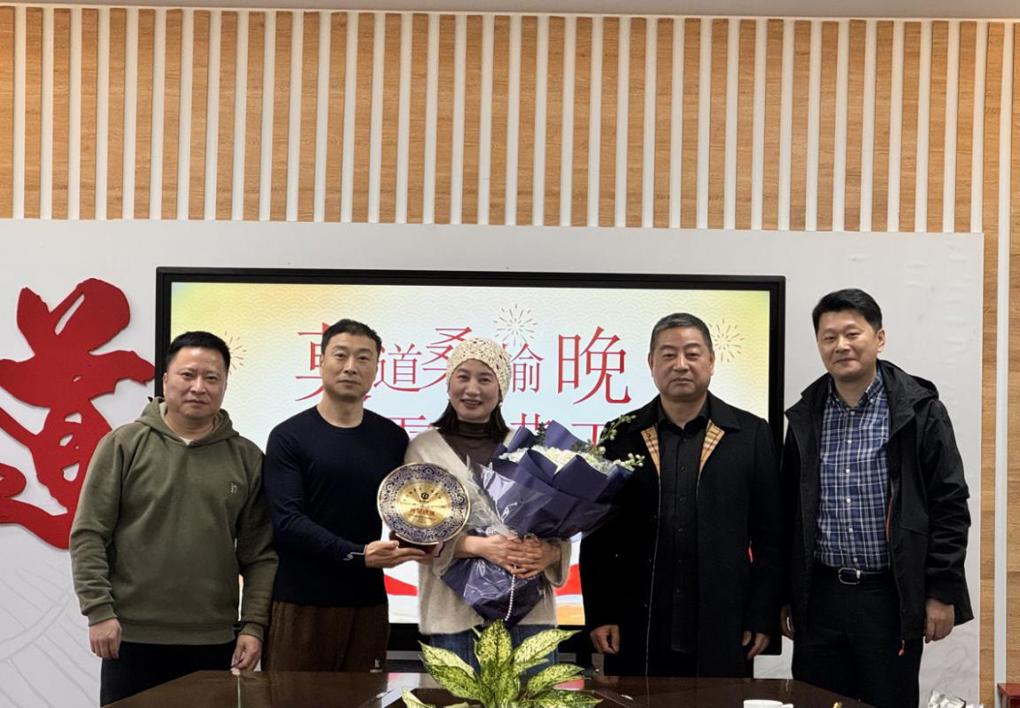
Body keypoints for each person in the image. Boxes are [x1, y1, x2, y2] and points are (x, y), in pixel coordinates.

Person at [781, 288, 972, 708]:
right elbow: (787, 513)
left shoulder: (918, 409)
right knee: (816, 701)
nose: (841, 345)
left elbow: (950, 503)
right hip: (821, 595)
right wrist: (785, 595)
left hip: (889, 594)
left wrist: (942, 591)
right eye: (829, 337)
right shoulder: (805, 415)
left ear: (879, 338)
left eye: (852, 333)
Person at [70, 331, 278, 706]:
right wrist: (98, 611)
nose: (199, 387)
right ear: (166, 380)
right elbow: (89, 535)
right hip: (131, 637)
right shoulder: (124, 445)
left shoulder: (246, 458)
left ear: (225, 386)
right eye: (188, 375)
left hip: (214, 641)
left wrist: (253, 626)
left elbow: (259, 554)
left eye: (211, 378)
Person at [580, 312, 784, 678]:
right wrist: (600, 613)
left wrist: (761, 614)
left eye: (692, 353)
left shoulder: (750, 434)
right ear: (651, 363)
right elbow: (598, 536)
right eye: (668, 354)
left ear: (711, 361)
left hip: (725, 621)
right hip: (637, 620)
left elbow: (771, 538)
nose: (680, 364)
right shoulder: (620, 435)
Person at [261, 319, 425, 671]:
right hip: (301, 603)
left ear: (376, 369)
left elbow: (410, 506)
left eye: (363, 358)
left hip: (368, 605)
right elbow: (288, 522)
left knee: (366, 697)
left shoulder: (391, 438)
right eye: (340, 355)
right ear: (320, 362)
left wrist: (427, 540)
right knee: (291, 697)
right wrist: (357, 553)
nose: (351, 366)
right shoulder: (289, 436)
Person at [405, 337, 571, 668]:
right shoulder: (423, 449)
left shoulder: (528, 449)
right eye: (463, 376)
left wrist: (549, 553)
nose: (472, 389)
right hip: (454, 616)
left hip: (528, 614)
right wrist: (478, 547)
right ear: (448, 383)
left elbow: (561, 529)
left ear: (501, 390)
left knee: (532, 698)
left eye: (485, 379)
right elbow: (413, 532)